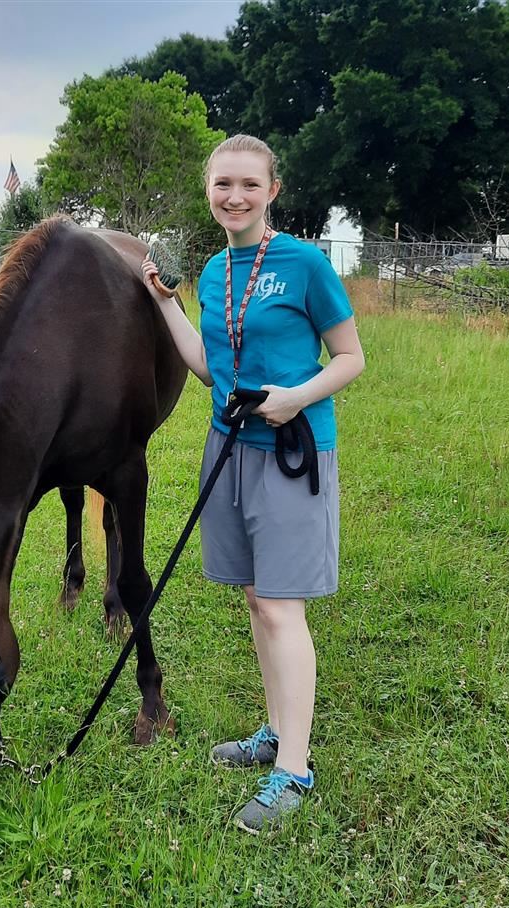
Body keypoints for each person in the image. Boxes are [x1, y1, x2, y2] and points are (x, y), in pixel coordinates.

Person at [141, 134, 365, 832]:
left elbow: (351, 358)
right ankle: (275, 730)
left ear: (272, 191)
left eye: (247, 184)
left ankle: (293, 769)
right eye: (221, 185)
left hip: (291, 449)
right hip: (228, 447)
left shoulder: (303, 262)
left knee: (280, 608)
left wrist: (296, 396)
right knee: (254, 601)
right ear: (208, 191)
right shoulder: (213, 272)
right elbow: (211, 369)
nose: (233, 196)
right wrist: (166, 303)